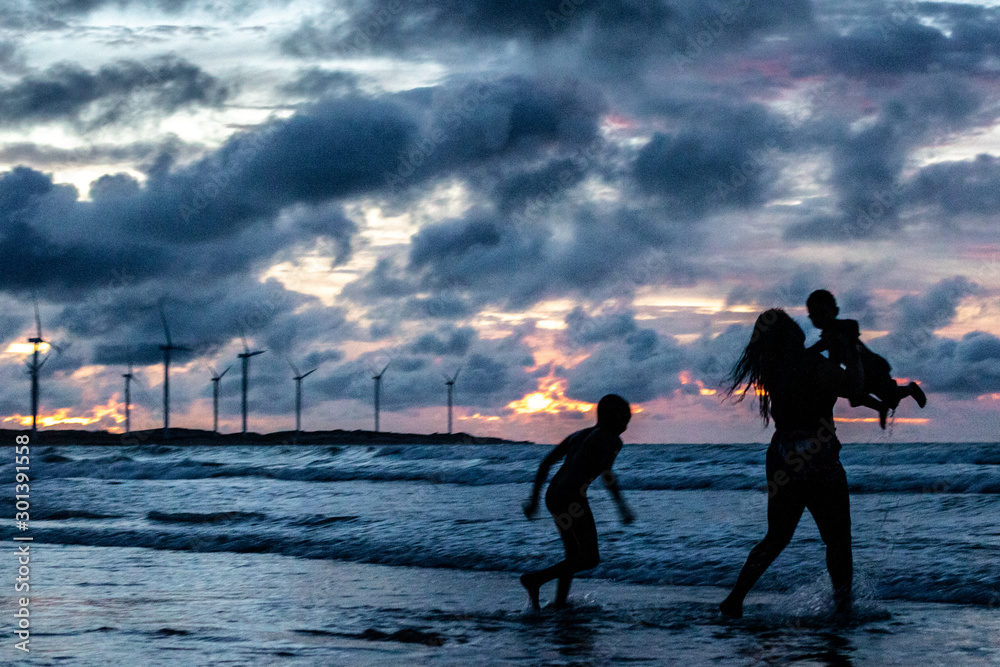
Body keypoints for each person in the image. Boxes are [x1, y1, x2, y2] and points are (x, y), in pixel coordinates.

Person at [720, 309, 864, 619]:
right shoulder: (816, 366)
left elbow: (800, 363)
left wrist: (823, 348)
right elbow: (854, 388)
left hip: (782, 454)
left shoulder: (773, 370)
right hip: (818, 455)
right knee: (837, 539)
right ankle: (843, 607)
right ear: (793, 336)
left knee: (777, 537)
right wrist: (851, 350)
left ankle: (735, 598)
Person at [520, 394, 635, 610]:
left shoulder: (577, 435)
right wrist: (622, 507)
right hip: (572, 499)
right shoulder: (611, 439)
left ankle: (560, 602)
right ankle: (536, 579)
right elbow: (606, 473)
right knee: (590, 558)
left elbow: (545, 463)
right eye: (624, 420)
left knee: (573, 555)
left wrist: (534, 500)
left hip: (553, 497)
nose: (626, 427)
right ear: (612, 418)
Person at [807, 289, 926, 429]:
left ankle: (910, 389)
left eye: (823, 313)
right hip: (858, 374)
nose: (820, 318)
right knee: (856, 395)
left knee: (892, 398)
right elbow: (821, 347)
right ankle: (881, 407)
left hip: (873, 368)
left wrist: (849, 341)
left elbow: (853, 325)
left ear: (835, 311)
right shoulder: (827, 336)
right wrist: (806, 353)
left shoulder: (842, 327)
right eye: (815, 315)